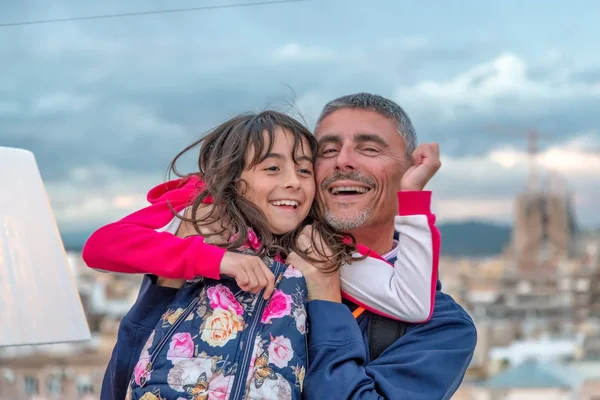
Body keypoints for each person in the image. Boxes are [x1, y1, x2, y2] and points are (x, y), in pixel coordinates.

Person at [83, 109, 440, 399]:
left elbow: (410, 301)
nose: (292, 181)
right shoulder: (201, 217)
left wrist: (410, 197)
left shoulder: (315, 250)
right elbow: (101, 246)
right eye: (272, 168)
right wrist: (215, 259)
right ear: (233, 178)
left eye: (304, 170)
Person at [287, 93, 477, 399]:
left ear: (411, 167)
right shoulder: (250, 265)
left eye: (370, 148)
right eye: (328, 149)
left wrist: (324, 297)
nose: (343, 160)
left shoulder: (443, 328)